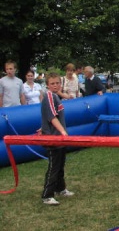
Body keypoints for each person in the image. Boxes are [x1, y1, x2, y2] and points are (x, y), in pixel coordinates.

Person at [40, 72, 75, 205]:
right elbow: (52, 117)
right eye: (52, 83)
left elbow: (48, 117)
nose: (55, 85)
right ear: (47, 85)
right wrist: (62, 132)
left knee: (60, 165)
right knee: (54, 166)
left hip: (59, 137)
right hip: (53, 138)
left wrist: (42, 127)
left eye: (57, 83)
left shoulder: (56, 96)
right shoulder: (49, 96)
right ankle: (47, 195)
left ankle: (60, 188)